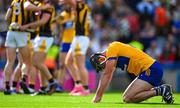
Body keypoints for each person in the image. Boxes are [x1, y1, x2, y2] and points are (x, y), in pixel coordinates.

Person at [90, 41, 174, 104]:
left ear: (101, 59)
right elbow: (108, 73)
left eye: (100, 66)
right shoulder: (112, 53)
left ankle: (161, 90)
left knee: (128, 98)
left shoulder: (112, 48)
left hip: (151, 69)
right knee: (127, 98)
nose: (103, 68)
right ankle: (161, 90)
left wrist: (98, 97)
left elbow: (107, 74)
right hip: (148, 70)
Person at [20, 0, 57, 95]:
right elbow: (26, 5)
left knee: (36, 62)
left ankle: (52, 82)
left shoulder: (48, 6)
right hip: (40, 36)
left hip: (45, 36)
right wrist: (39, 8)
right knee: (40, 64)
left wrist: (27, 26)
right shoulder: (41, 5)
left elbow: (43, 21)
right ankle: (43, 88)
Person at [3, 0, 32, 95]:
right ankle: (23, 80)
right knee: (26, 61)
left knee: (9, 62)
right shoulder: (28, 2)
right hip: (22, 33)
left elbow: (7, 17)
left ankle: (7, 87)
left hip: (11, 32)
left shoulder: (14, 2)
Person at [65, 0, 91, 96]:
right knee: (68, 62)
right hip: (77, 37)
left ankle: (85, 89)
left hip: (81, 37)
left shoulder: (81, 5)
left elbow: (71, 2)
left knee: (80, 64)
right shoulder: (81, 6)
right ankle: (78, 85)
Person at [52, 2, 75, 87]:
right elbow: (58, 24)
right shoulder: (62, 15)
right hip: (65, 42)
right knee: (62, 65)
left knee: (74, 64)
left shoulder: (75, 13)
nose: (66, 6)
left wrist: (64, 21)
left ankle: (78, 84)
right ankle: (59, 84)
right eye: (65, 5)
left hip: (74, 42)